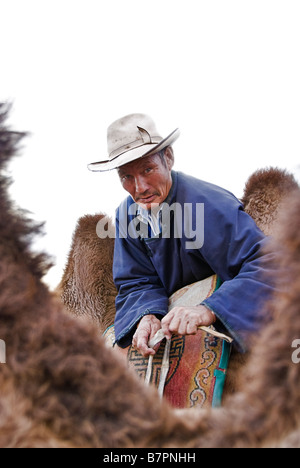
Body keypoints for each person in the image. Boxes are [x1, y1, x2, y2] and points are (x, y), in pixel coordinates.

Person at [88, 114, 274, 357]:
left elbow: (269, 263)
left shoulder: (206, 203)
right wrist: (146, 314)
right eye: (127, 177)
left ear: (168, 158)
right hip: (172, 317)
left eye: (148, 169)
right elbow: (135, 280)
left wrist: (209, 309)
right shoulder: (127, 214)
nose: (140, 187)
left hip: (225, 308)